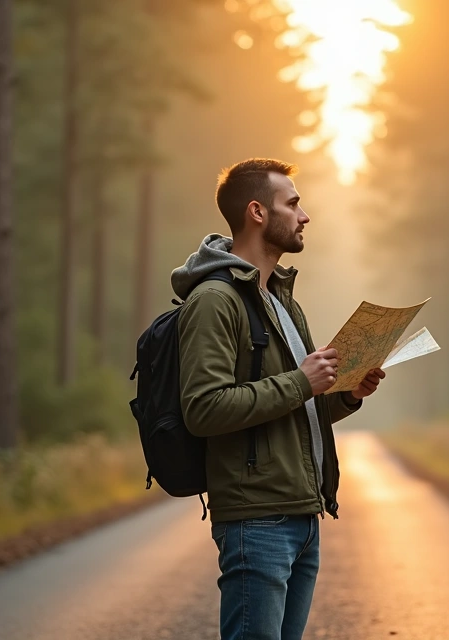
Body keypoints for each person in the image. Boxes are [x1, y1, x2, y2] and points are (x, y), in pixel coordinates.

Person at [171, 158, 385, 640]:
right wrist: (300, 382)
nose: (304, 215)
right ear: (257, 213)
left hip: (303, 514)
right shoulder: (214, 301)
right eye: (293, 204)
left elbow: (299, 404)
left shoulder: (283, 301)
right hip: (256, 520)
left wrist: (347, 393)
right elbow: (204, 409)